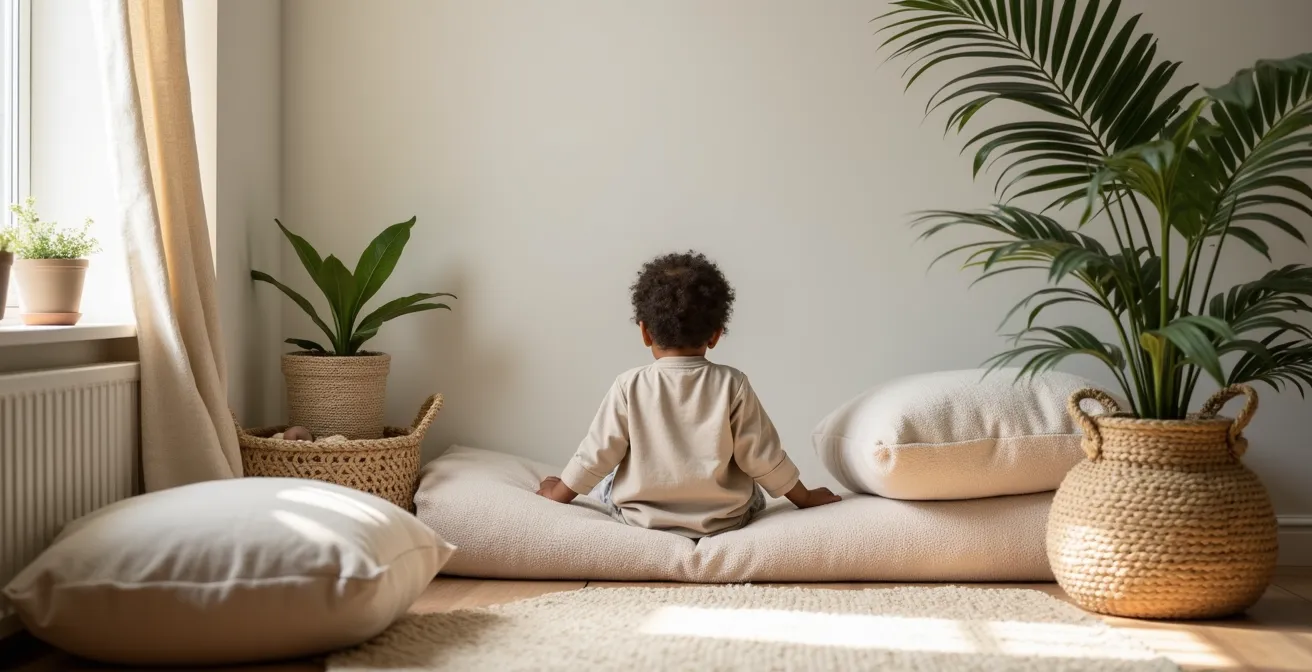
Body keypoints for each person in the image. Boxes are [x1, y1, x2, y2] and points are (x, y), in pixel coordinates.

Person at [535, 251, 841, 538]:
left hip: (642, 517)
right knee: (752, 490)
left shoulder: (629, 385)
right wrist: (804, 497)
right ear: (716, 334)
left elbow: (598, 453)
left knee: (608, 480)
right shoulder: (732, 384)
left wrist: (559, 492)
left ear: (645, 332)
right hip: (723, 518)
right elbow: (762, 457)